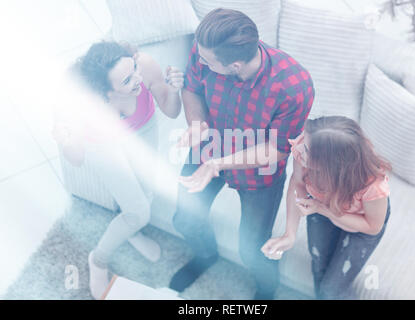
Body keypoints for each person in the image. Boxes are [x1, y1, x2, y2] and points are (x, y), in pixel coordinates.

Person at [170, 8, 314, 300]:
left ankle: (265, 291)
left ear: (234, 65)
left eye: (207, 61)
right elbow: (191, 88)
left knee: (252, 249)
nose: (198, 60)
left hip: (258, 171)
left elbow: (276, 149)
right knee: (184, 219)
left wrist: (218, 164)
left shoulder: (294, 87)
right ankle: (206, 255)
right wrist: (197, 124)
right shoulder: (205, 51)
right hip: (209, 149)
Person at [52, 41, 183, 299]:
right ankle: (98, 260)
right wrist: (66, 140)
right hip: (102, 142)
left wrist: (174, 90)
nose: (138, 78)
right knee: (138, 212)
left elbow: (171, 110)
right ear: (106, 92)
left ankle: (132, 233)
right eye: (126, 80)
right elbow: (77, 159)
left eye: (134, 67)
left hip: (142, 126)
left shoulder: (144, 65)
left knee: (147, 190)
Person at [261, 116, 392, 300]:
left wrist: (322, 209)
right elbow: (297, 183)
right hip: (322, 205)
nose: (299, 150)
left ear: (330, 164)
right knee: (318, 266)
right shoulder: (306, 145)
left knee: (331, 289)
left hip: (361, 224)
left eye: (306, 150)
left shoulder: (373, 185)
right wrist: (289, 234)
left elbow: (372, 226)